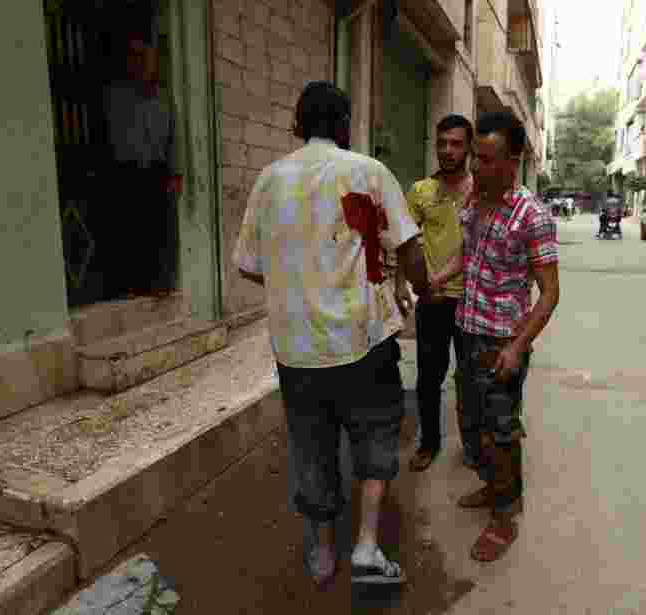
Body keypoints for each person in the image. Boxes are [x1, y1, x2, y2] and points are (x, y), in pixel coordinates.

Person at [233, 81, 429, 587]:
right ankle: (365, 545)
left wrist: (297, 285)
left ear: (297, 125)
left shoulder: (269, 179)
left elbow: (249, 265)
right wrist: (420, 290)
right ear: (345, 125)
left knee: (312, 446)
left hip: (297, 350)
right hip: (363, 341)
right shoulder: (368, 172)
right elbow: (408, 246)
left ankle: (321, 552)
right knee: (375, 434)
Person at [427, 111, 560, 562]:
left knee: (501, 432)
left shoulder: (532, 216)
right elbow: (469, 257)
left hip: (502, 343)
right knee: (471, 422)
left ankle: (506, 516)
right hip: (466, 331)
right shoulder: (473, 202)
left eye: (487, 160)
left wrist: (517, 347)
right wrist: (436, 276)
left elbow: (550, 294)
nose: (477, 168)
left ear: (514, 159)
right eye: (476, 158)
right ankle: (492, 488)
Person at [401, 115, 475, 472]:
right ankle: (429, 442)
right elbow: (403, 241)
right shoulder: (421, 192)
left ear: (469, 147)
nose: (448, 150)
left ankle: (472, 444)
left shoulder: (481, 190)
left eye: (456, 143)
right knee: (428, 376)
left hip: (471, 300)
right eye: (442, 142)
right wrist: (402, 284)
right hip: (433, 302)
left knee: (470, 375)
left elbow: (477, 246)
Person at [102, 34, 175, 298]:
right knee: (127, 228)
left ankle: (155, 283)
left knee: (155, 228)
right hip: (124, 170)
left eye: (144, 58)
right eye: (133, 57)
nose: (139, 63)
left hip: (155, 170)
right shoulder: (114, 93)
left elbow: (173, 137)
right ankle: (128, 286)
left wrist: (174, 171)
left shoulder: (163, 97)